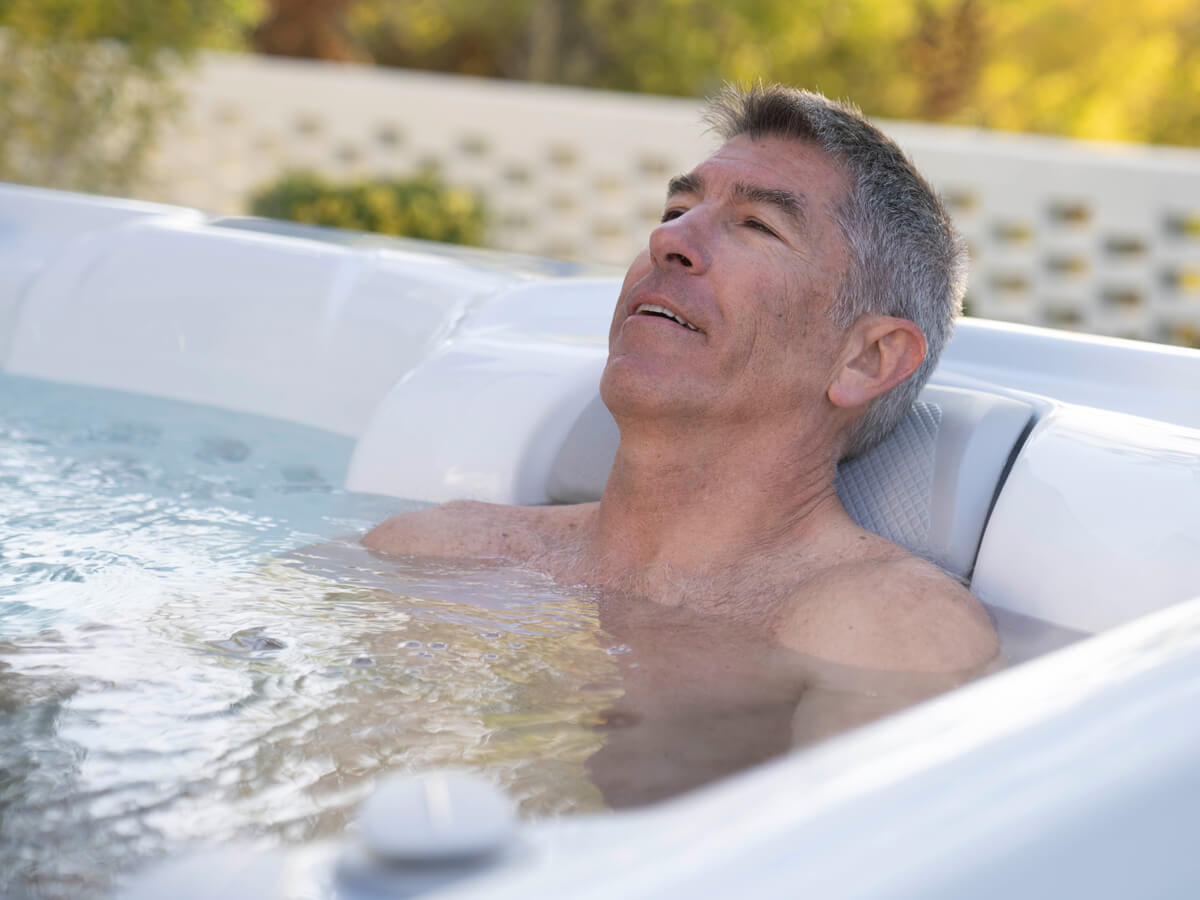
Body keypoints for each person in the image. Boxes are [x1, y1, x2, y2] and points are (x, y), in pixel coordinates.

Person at [364, 83, 999, 675]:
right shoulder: (440, 551)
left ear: (868, 359)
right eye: (677, 206)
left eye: (757, 224)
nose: (670, 237)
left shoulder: (886, 628)